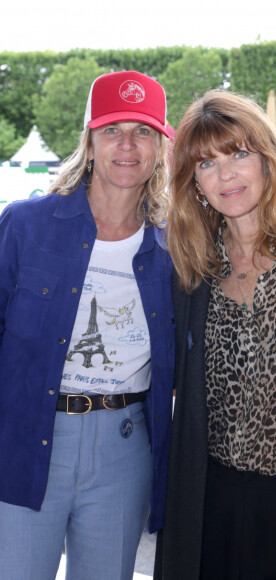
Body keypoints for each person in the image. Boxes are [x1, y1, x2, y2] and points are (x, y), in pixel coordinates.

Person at [154, 89, 276, 580]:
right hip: (208, 499)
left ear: (268, 159)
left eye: (239, 154)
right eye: (206, 164)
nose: (227, 175)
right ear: (193, 182)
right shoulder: (192, 267)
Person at [0, 70, 175, 580]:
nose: (127, 144)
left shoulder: (173, 248)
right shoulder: (24, 225)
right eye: (112, 129)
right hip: (27, 436)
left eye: (142, 131)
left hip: (124, 448)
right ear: (90, 143)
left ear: (160, 147)